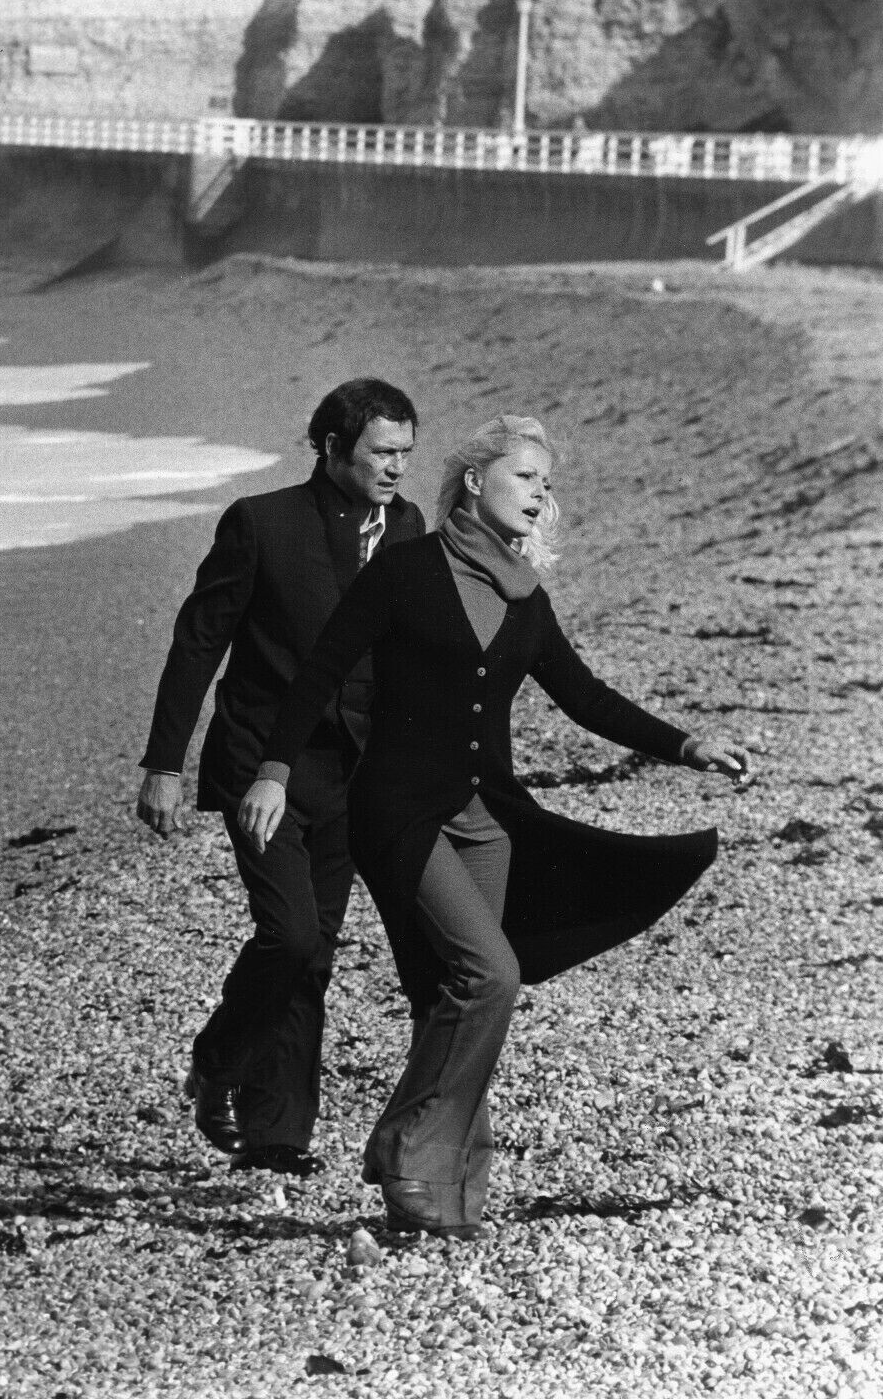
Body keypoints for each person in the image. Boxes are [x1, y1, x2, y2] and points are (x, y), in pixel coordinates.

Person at [238, 414, 751, 1235]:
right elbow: (321, 673)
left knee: (445, 996)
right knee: (491, 976)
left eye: (547, 482)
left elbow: (585, 697)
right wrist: (272, 773)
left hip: (488, 823)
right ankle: (407, 1143)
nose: (541, 493)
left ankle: (447, 1194)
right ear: (476, 482)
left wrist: (686, 744)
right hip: (399, 815)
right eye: (526, 476)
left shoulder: (524, 596)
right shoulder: (404, 571)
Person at [136, 378, 425, 1175]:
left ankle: (275, 1136)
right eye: (381, 452)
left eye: (405, 453)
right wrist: (164, 763)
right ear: (332, 448)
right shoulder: (259, 523)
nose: (396, 467)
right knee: (290, 933)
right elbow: (199, 642)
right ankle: (219, 1057)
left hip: (351, 773)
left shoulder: (406, 527)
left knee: (314, 952)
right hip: (258, 765)